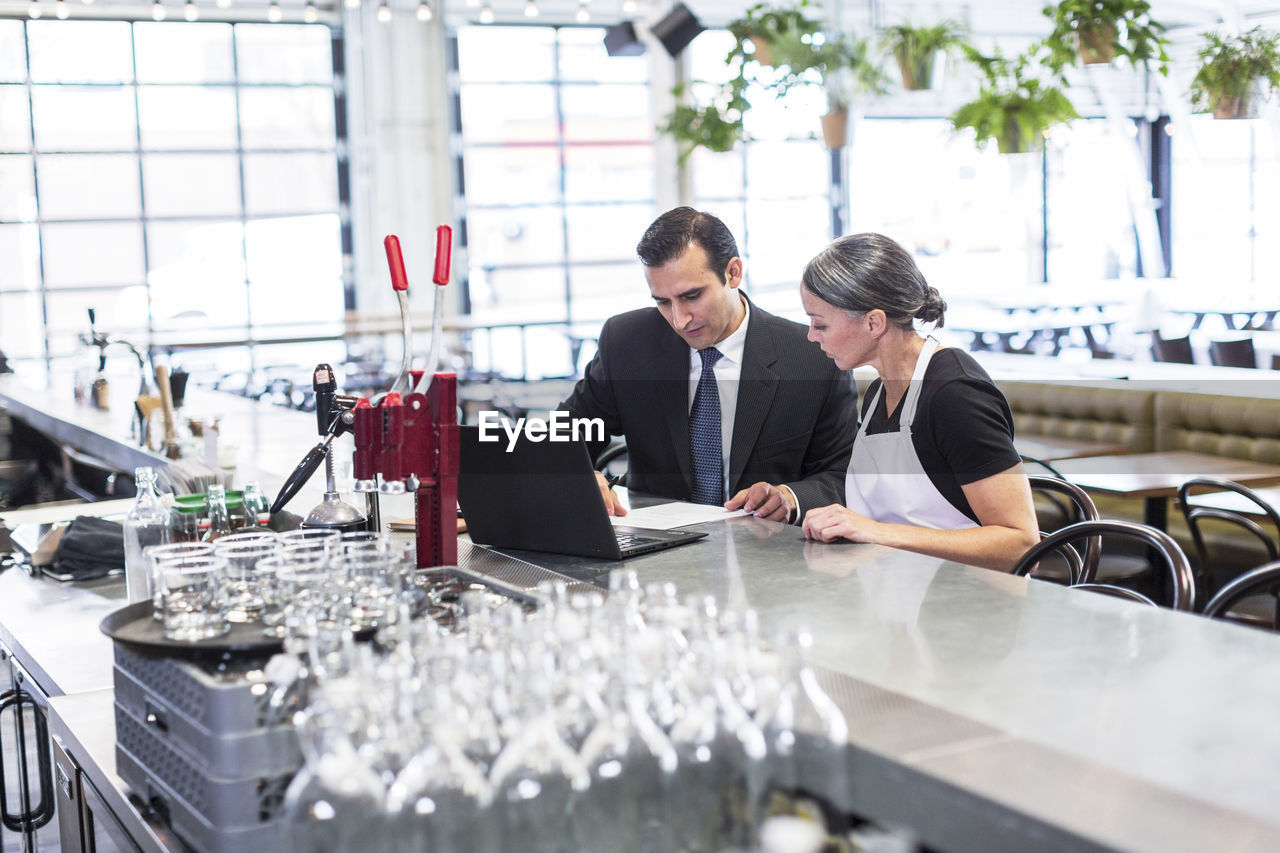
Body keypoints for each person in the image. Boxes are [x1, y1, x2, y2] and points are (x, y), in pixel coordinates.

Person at [560, 207, 858, 522]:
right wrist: (573, 474)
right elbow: (560, 434)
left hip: (769, 551)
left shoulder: (812, 356)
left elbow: (842, 474)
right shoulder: (627, 343)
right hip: (658, 553)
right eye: (663, 301)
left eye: (691, 296)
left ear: (733, 273)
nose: (678, 319)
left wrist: (790, 497)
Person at [797, 233, 1039, 571]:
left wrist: (878, 533)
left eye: (820, 323)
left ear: (873, 323)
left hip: (973, 607)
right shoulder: (880, 393)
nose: (811, 335)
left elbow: (1020, 543)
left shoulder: (955, 393)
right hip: (897, 598)